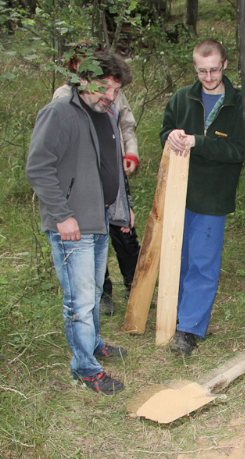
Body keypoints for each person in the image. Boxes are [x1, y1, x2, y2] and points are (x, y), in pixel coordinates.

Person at [26, 51, 133, 395]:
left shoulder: (105, 114)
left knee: (93, 293)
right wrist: (62, 215)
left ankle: (93, 343)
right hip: (72, 225)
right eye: (106, 88)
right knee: (80, 299)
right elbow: (38, 168)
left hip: (99, 219)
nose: (111, 96)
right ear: (85, 78)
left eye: (116, 90)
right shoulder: (59, 112)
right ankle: (85, 369)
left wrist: (123, 207)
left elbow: (111, 166)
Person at [159, 39, 245, 356]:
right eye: (202, 71)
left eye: (214, 70)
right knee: (178, 258)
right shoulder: (182, 98)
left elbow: (238, 151)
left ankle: (189, 330)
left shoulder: (238, 103)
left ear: (225, 65)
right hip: (178, 193)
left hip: (213, 196)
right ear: (195, 68)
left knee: (202, 263)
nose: (208, 77)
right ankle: (175, 315)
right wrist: (170, 136)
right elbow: (165, 132)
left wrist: (199, 142)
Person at [53, 44, 141, 316]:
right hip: (82, 189)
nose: (110, 95)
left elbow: (125, 125)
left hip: (112, 177)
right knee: (90, 242)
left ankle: (136, 287)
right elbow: (44, 163)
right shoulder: (63, 100)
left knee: (124, 234)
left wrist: (130, 152)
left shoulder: (113, 94)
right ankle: (102, 294)